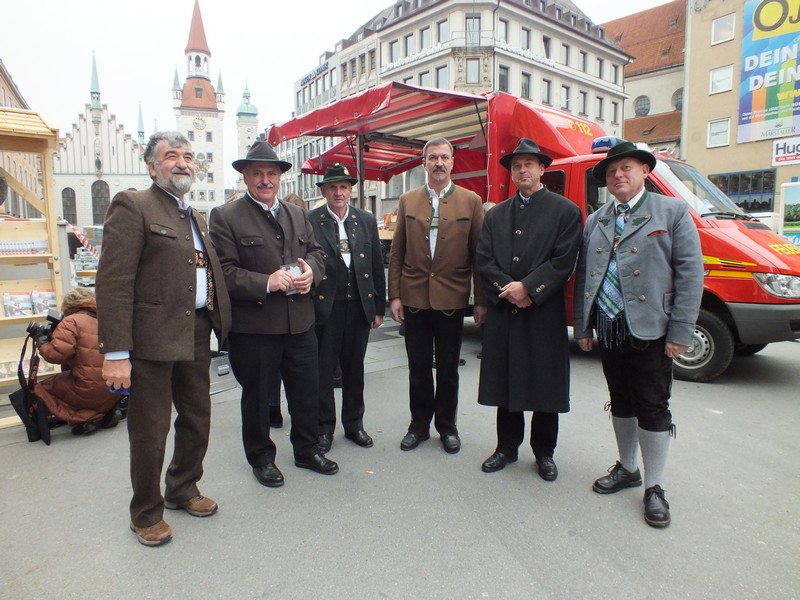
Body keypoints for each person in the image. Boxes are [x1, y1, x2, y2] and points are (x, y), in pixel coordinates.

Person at [96, 131, 232, 547]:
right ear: (152, 166)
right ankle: (146, 512)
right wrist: (116, 352)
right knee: (150, 431)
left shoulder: (195, 215)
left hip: (195, 334)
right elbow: (114, 282)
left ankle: (183, 488)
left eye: (189, 156)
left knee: (197, 418)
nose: (183, 162)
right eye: (171, 156)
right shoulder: (133, 205)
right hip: (150, 341)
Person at [573, 140, 703, 528]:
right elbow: (584, 277)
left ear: (645, 171)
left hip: (652, 329)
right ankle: (628, 468)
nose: (618, 175)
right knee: (621, 400)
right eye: (611, 172)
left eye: (626, 168)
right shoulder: (597, 220)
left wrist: (680, 331)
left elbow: (690, 276)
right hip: (610, 327)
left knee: (652, 404)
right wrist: (583, 326)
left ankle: (656, 487)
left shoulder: (673, 211)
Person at [209, 141, 337, 487]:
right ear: (245, 177)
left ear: (280, 177)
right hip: (256, 328)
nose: (265, 180)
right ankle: (262, 458)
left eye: (271, 173)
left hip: (300, 323)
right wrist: (266, 281)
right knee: (258, 397)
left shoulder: (298, 214)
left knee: (305, 392)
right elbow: (223, 272)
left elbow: (317, 253)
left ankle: (307, 449)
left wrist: (312, 270)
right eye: (257, 174)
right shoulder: (226, 216)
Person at [476, 138, 583, 481]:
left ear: (541, 169)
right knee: (507, 383)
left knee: (544, 384)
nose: (523, 170)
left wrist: (529, 289)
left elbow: (564, 261)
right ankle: (506, 447)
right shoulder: (496, 216)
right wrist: (510, 291)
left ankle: (544, 452)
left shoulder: (566, 211)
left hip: (542, 314)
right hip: (506, 311)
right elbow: (484, 260)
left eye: (529, 164)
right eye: (517, 165)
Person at [388, 137, 486, 454]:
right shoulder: (408, 200)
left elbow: (479, 257)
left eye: (444, 157)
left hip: (452, 299)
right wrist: (395, 296)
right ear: (424, 163)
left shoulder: (471, 201)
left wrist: (481, 300)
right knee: (418, 368)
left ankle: (447, 427)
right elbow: (397, 252)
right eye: (433, 158)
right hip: (414, 298)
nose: (439, 163)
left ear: (453, 162)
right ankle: (418, 426)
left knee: (447, 369)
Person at [308, 163, 385, 453]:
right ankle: (324, 428)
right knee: (324, 372)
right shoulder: (312, 220)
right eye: (333, 187)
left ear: (350, 190)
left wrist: (379, 307)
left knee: (355, 369)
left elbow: (377, 264)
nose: (338, 192)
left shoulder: (365, 219)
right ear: (324, 191)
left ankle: (354, 425)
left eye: (343, 187)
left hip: (358, 308)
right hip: (325, 308)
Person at [33, 287, 121, 437]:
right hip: (114, 389)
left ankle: (85, 418)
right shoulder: (106, 320)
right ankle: (106, 411)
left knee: (42, 387)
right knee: (81, 377)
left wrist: (41, 343)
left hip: (87, 391)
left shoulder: (71, 321)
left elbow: (55, 355)